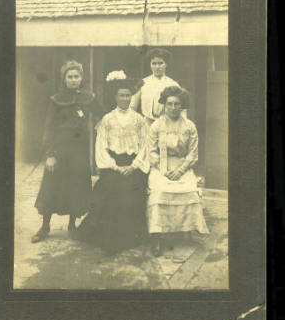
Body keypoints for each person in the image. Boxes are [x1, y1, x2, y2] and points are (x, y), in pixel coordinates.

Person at [71, 71, 150, 255]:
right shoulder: (107, 119)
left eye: (128, 96)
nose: (124, 99)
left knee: (131, 191)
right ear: (115, 97)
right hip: (113, 164)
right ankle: (106, 237)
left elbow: (145, 146)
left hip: (133, 164)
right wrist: (114, 166)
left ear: (132, 97)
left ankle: (131, 236)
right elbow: (101, 146)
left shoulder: (139, 120)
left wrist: (134, 166)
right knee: (110, 190)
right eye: (121, 95)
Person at [31, 59, 103, 243]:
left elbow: (103, 114)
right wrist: (50, 155)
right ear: (64, 79)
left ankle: (72, 226)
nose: (73, 80)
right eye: (70, 77)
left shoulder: (89, 98)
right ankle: (45, 226)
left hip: (79, 151)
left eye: (76, 76)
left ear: (81, 78)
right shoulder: (56, 100)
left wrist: (99, 126)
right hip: (59, 150)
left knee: (77, 188)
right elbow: (48, 128)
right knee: (52, 187)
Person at [147, 85, 210, 257]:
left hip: (183, 166)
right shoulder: (156, 126)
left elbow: (193, 154)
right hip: (161, 166)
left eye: (177, 104)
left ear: (182, 106)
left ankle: (187, 231)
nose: (173, 108)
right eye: (169, 104)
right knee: (159, 193)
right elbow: (151, 152)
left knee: (190, 192)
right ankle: (157, 236)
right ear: (164, 105)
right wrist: (163, 168)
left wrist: (180, 171)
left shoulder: (190, 126)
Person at [130, 47, 185, 126]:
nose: (157, 67)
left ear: (166, 64)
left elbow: (182, 109)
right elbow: (132, 107)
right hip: (146, 125)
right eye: (154, 63)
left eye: (160, 63)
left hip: (166, 125)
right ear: (150, 64)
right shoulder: (143, 83)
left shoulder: (173, 84)